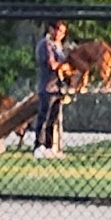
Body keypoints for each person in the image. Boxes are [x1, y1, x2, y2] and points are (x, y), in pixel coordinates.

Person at [29, 18, 70, 158]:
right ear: (51, 29)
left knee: (53, 118)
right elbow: (52, 65)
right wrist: (64, 66)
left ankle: (49, 146)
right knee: (44, 116)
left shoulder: (60, 47)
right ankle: (38, 145)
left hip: (58, 88)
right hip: (47, 87)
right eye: (59, 31)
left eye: (63, 32)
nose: (60, 34)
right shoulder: (45, 45)